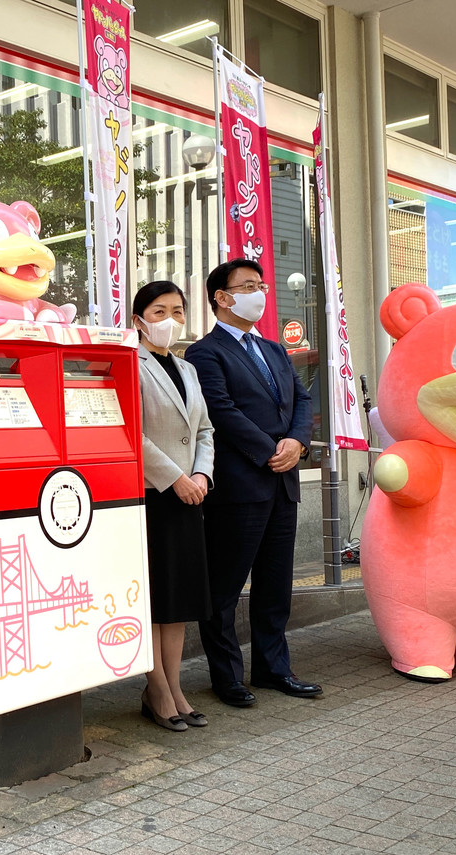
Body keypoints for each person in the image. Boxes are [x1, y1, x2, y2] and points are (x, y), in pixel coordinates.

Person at [183, 259, 321, 707]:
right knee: (224, 588)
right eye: (248, 286)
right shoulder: (205, 352)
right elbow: (219, 411)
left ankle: (273, 669)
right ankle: (227, 677)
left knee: (275, 585)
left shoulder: (274, 349)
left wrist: (297, 442)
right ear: (222, 298)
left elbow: (301, 398)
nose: (259, 293)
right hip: (241, 486)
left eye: (260, 285)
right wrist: (269, 449)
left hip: (283, 483)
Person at [132, 280, 214, 731]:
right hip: (151, 496)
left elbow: (205, 430)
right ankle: (156, 688)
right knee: (156, 597)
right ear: (139, 320)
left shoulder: (188, 369)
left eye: (178, 311)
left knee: (179, 598)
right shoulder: (129, 364)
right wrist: (175, 478)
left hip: (190, 495)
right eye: (160, 311)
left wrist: (201, 475)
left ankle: (175, 685)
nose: (170, 320)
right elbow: (130, 433)